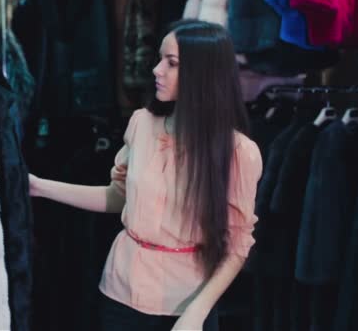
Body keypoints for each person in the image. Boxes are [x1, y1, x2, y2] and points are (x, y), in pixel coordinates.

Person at [28, 19, 263, 331]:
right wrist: (39, 186)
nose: (156, 70)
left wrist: (197, 312)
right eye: (159, 59)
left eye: (172, 63)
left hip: (188, 304)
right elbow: (117, 196)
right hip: (119, 292)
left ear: (203, 74)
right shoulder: (142, 123)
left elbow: (236, 246)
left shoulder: (238, 152)